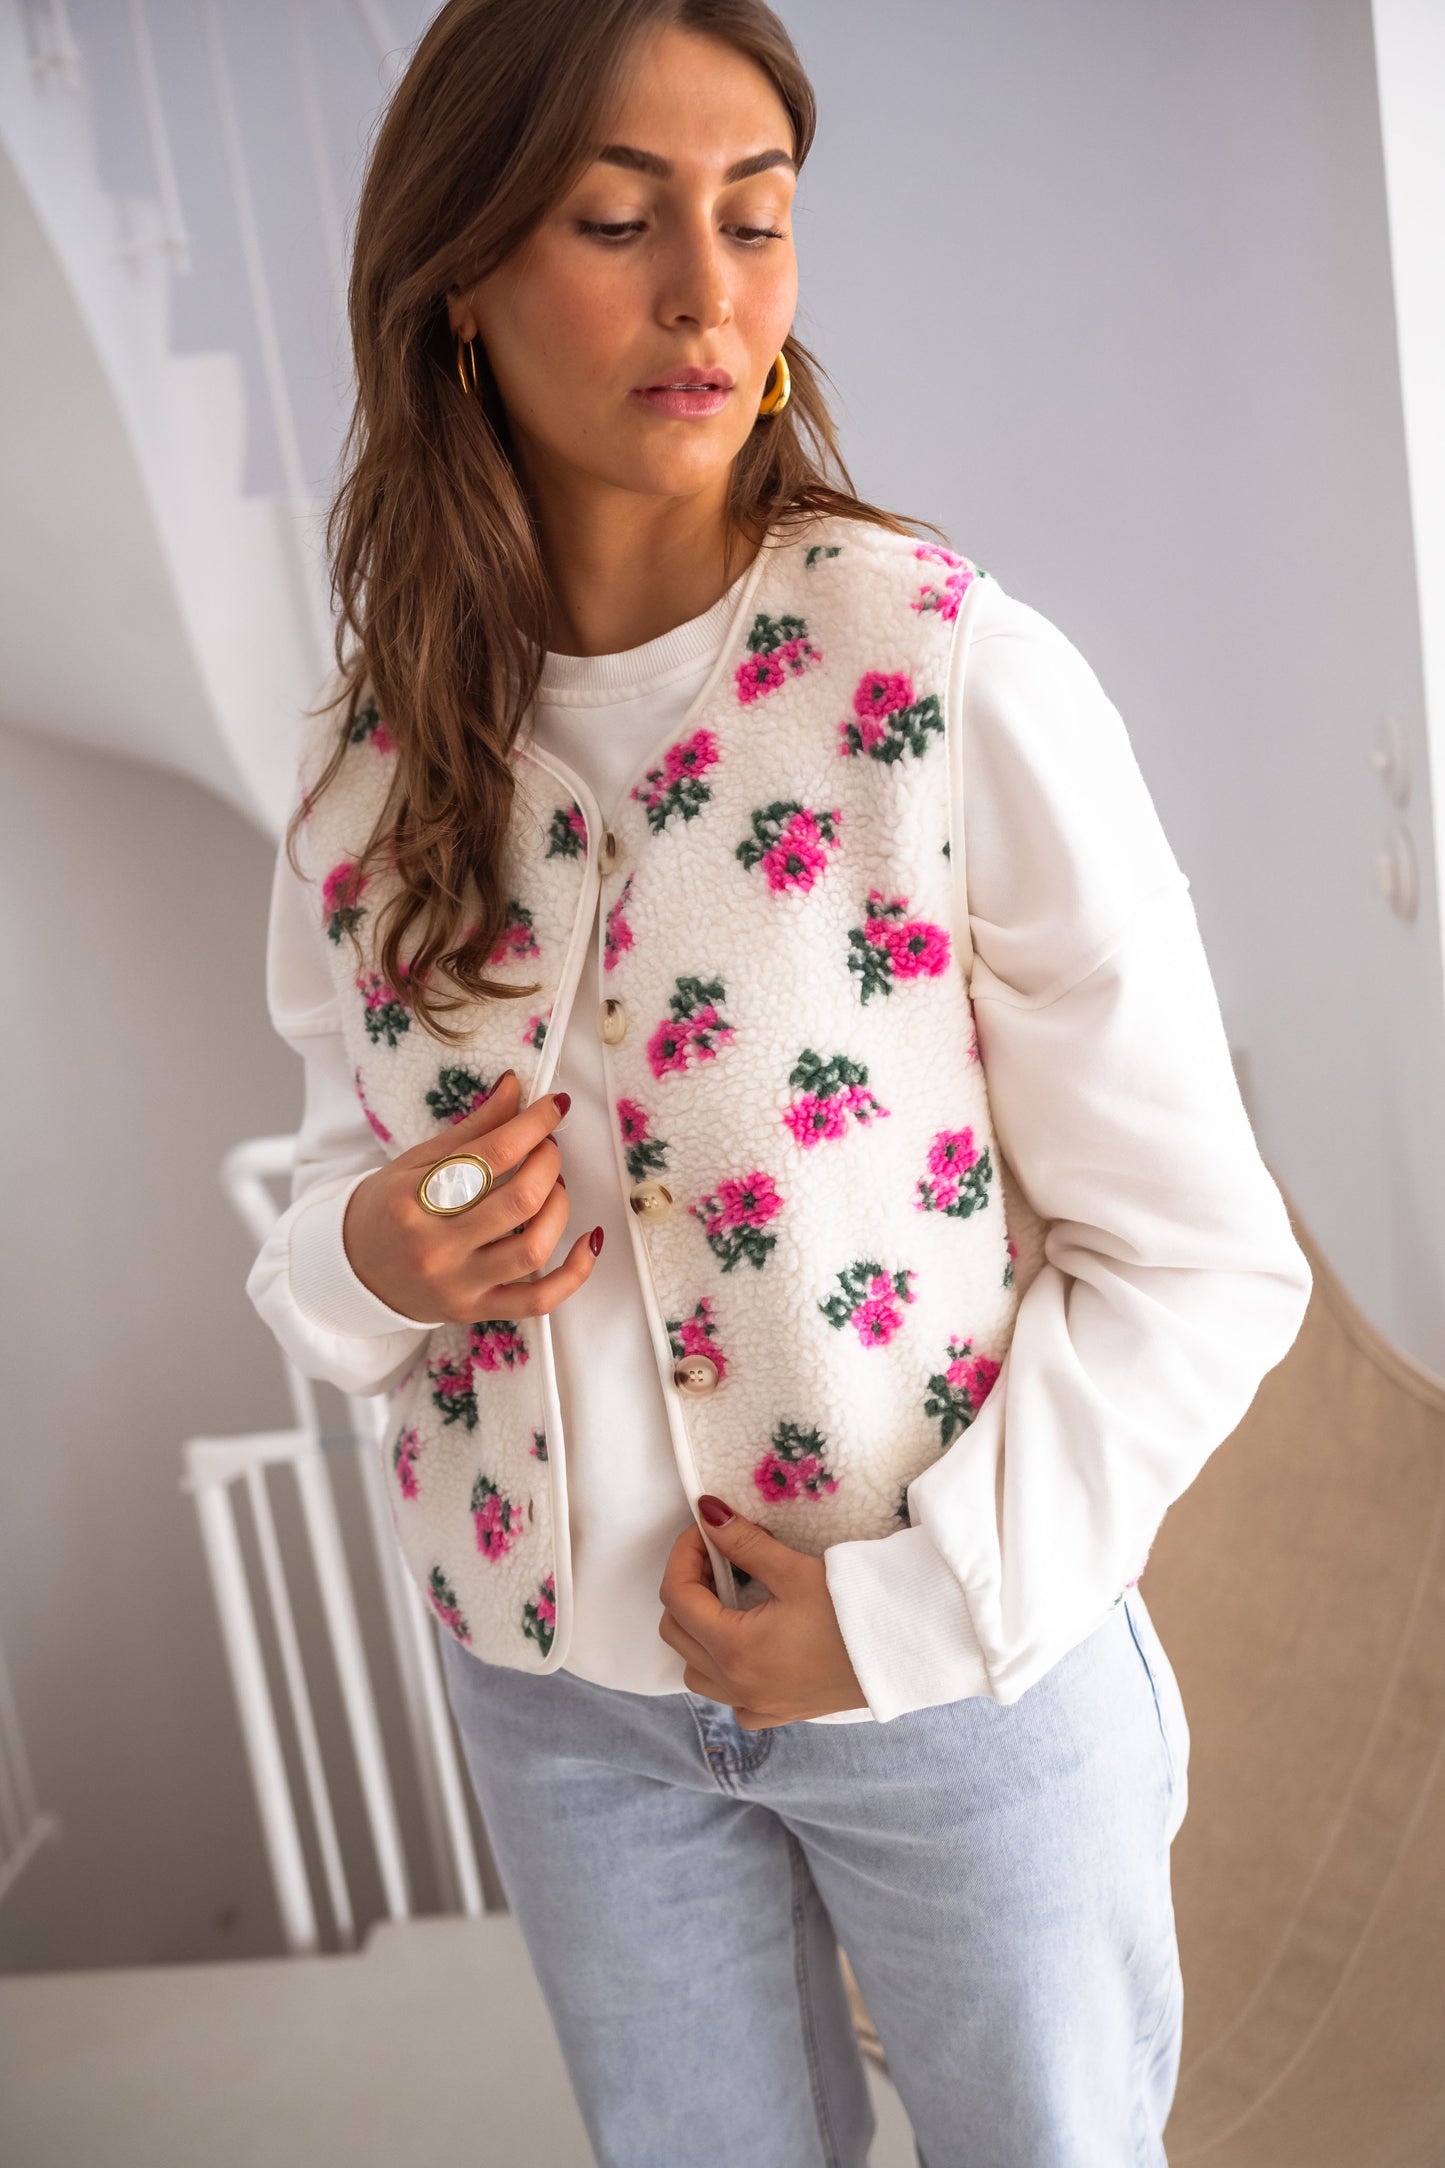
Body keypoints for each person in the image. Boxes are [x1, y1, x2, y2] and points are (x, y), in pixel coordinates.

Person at [246, 3, 1313, 2161]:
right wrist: (367, 1254)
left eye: (753, 219)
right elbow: (326, 1178)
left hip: (959, 1688)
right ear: (459, 284)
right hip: (562, 1708)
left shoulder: (946, 676)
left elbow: (1205, 1261)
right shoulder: (369, 764)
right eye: (616, 221)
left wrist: (906, 1613)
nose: (704, 295)